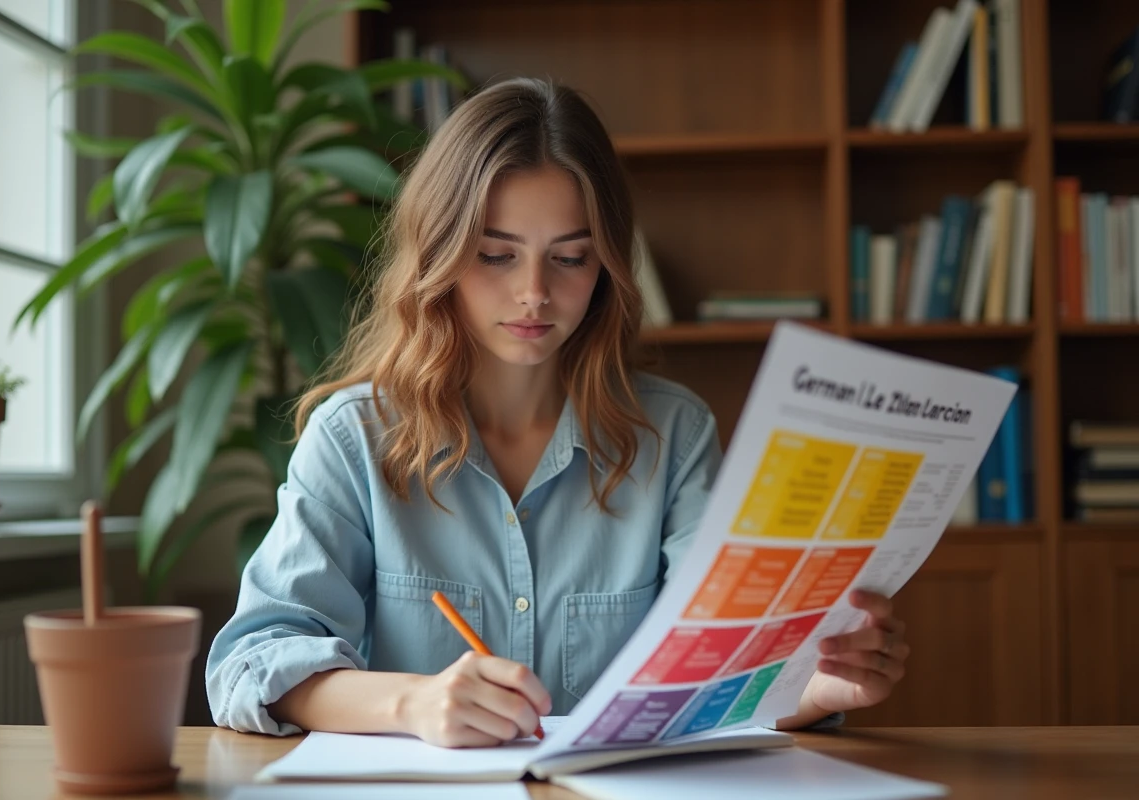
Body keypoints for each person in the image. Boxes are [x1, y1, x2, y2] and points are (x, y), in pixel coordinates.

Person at [205, 77, 909, 747]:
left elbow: (728, 672)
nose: (534, 292)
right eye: (496, 255)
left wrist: (815, 688)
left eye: (570, 258)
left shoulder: (673, 435)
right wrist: (411, 703)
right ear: (439, 256)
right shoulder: (354, 437)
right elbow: (249, 664)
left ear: (607, 267)